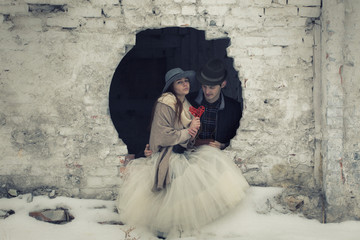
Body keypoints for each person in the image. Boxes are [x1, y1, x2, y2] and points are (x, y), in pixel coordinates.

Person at [117, 67, 249, 239]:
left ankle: (191, 226)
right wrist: (188, 132)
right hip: (168, 153)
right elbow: (161, 134)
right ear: (172, 86)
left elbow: (189, 138)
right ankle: (164, 228)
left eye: (186, 81)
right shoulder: (166, 103)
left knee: (210, 162)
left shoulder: (186, 103)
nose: (185, 84)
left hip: (181, 150)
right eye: (179, 82)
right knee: (173, 188)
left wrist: (196, 134)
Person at [144, 58, 242, 157]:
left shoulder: (233, 108)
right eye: (204, 86)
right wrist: (151, 149)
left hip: (217, 156)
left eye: (212, 87)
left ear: (223, 84)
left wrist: (223, 145)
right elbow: (163, 130)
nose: (207, 91)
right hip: (189, 155)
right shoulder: (187, 100)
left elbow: (240, 140)